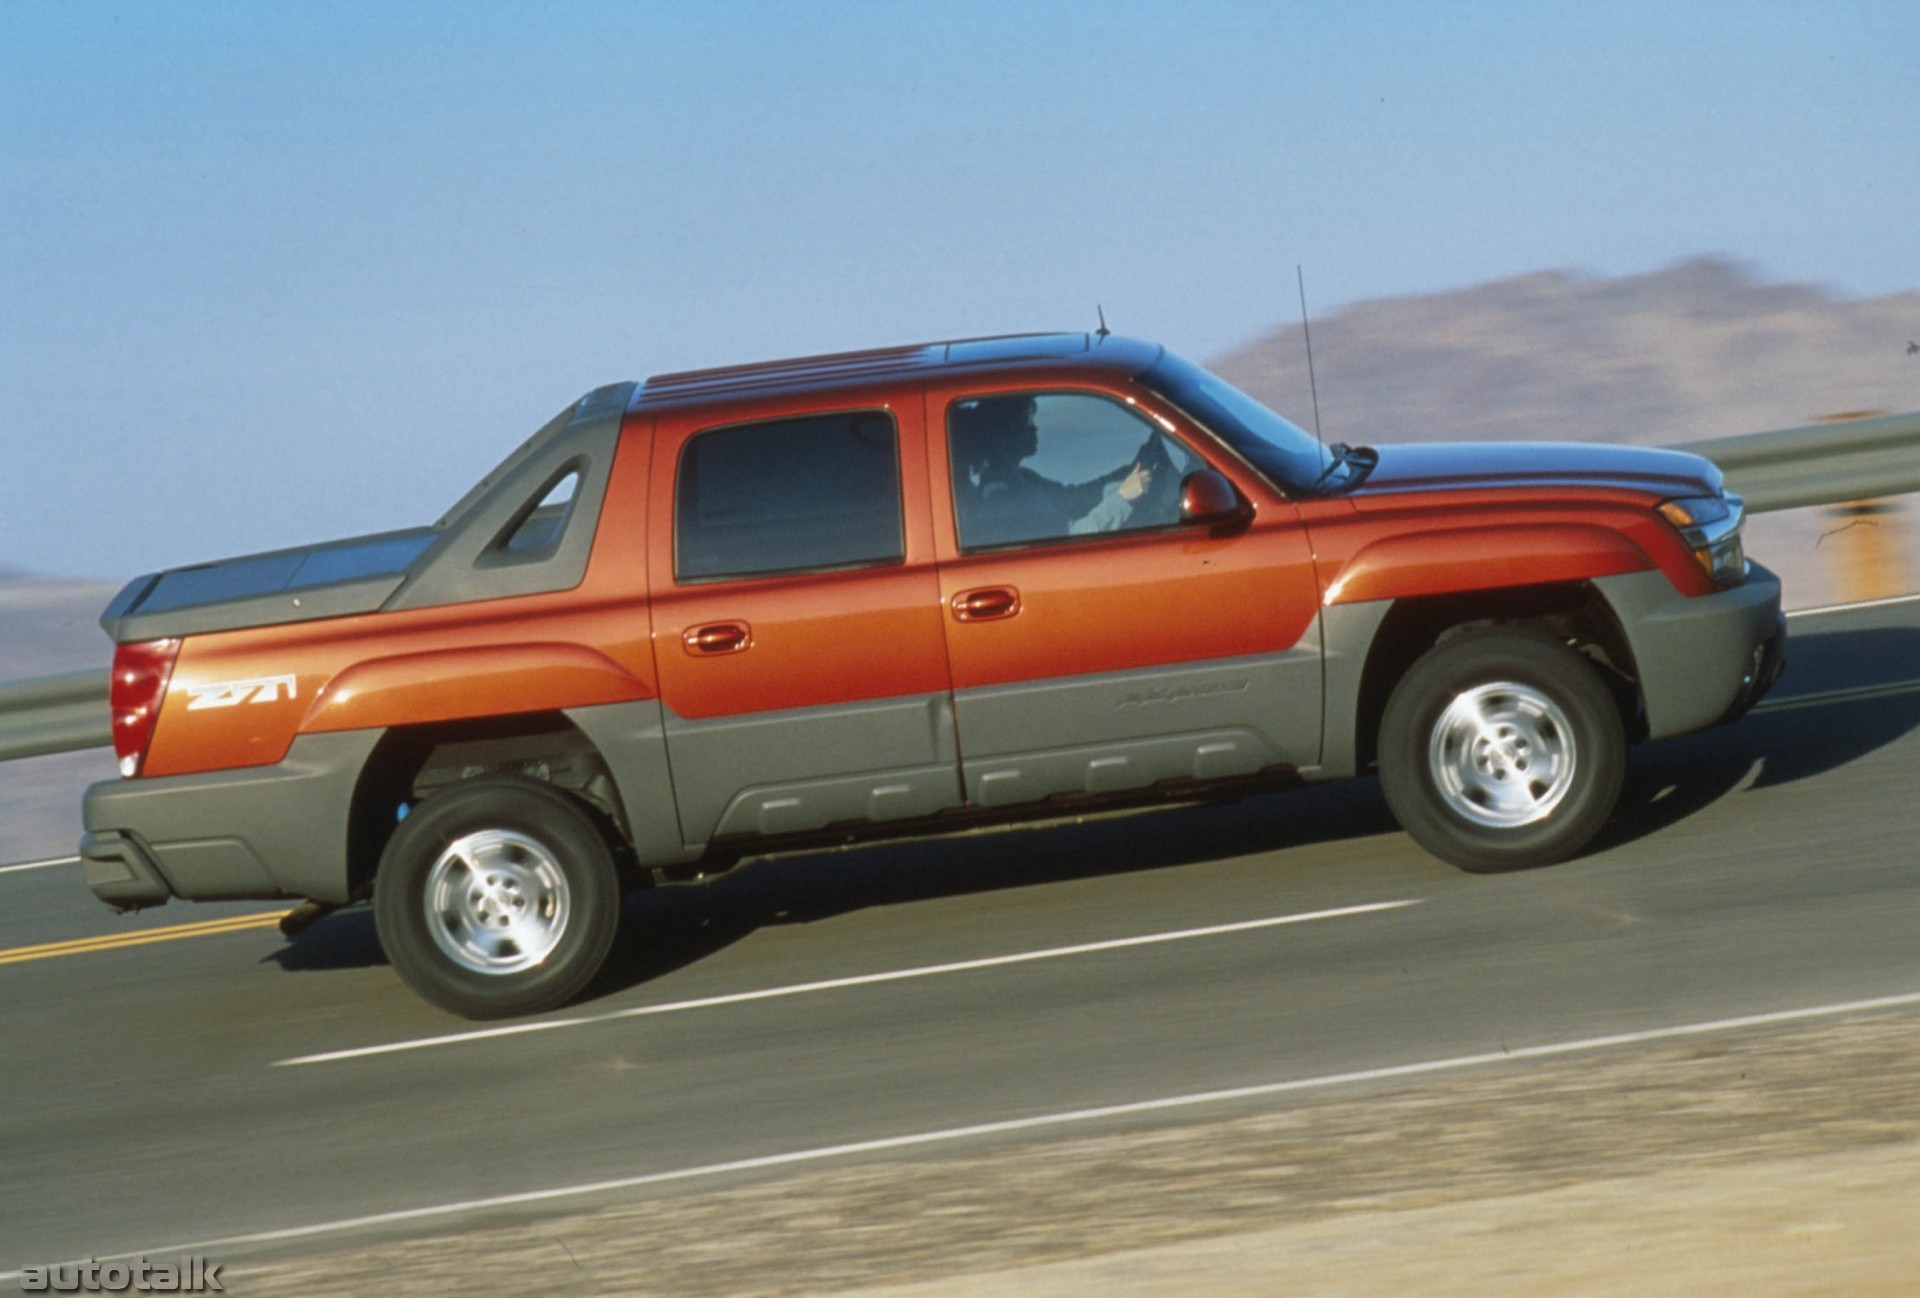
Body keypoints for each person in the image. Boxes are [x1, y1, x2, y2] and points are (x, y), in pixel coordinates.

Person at [951, 395, 1152, 549]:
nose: (1034, 428)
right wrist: (1122, 499)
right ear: (1004, 433)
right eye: (1027, 421)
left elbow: (1073, 496)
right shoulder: (1003, 495)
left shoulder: (1021, 477)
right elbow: (1070, 539)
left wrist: (1126, 474)